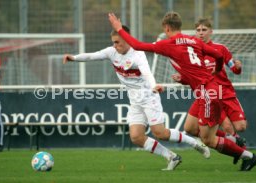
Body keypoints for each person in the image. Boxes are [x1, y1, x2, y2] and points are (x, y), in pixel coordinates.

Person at [108, 12, 256, 171]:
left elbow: (137, 46)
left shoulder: (168, 44)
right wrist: (215, 70)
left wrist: (119, 28)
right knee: (190, 128)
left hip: (208, 93)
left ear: (166, 28)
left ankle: (247, 156)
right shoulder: (193, 40)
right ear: (179, 26)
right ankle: (234, 142)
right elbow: (217, 55)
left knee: (208, 139)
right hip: (206, 91)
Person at [63, 25, 210, 171]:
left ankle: (194, 142)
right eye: (113, 42)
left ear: (127, 40)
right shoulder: (111, 52)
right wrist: (73, 58)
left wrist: (154, 85)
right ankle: (172, 157)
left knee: (161, 133)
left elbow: (146, 72)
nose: (115, 45)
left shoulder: (137, 54)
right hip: (135, 101)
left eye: (117, 42)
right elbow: (92, 56)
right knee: (136, 137)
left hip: (149, 97)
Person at [172, 18, 248, 164]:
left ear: (211, 32)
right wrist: (181, 78)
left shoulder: (220, 49)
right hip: (209, 94)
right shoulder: (192, 52)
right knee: (223, 126)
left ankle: (238, 145)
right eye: (198, 30)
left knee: (240, 126)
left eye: (204, 30)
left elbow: (234, 69)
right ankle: (241, 151)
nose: (201, 33)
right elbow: (192, 78)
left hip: (225, 92)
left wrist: (238, 67)